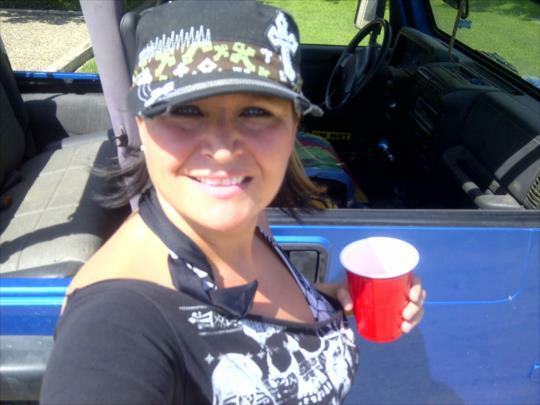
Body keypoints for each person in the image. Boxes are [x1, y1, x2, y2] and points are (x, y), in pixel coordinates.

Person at [40, 1, 425, 404]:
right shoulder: (115, 323)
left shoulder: (247, 218)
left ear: (293, 124)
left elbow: (256, 322)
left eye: (255, 111)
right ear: (142, 125)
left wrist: (331, 301)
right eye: (185, 111)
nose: (223, 150)